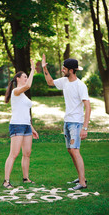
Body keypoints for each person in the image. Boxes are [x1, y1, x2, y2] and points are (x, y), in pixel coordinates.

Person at [42, 54, 91, 190]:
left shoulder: (80, 85)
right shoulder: (64, 82)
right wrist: (44, 69)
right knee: (70, 150)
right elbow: (50, 82)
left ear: (70, 70)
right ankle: (81, 177)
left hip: (76, 122)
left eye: (64, 69)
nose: (62, 70)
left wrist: (85, 128)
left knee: (75, 150)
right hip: (67, 121)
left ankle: (82, 183)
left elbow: (88, 107)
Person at [3, 59, 39, 188]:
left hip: (26, 126)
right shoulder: (16, 92)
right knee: (14, 154)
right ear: (18, 79)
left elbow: (25, 113)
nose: (26, 78)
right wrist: (33, 69)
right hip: (17, 125)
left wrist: (32, 128)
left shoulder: (23, 95)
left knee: (27, 153)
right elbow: (28, 85)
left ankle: (26, 178)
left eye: (27, 76)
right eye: (24, 76)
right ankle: (6, 181)